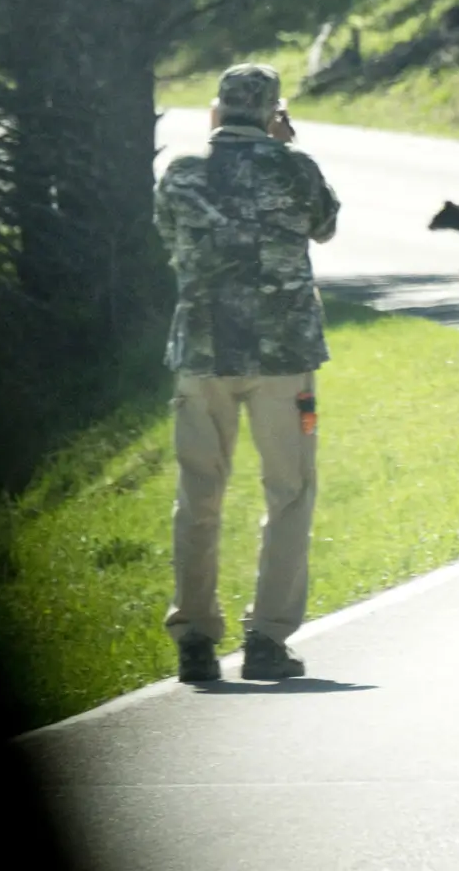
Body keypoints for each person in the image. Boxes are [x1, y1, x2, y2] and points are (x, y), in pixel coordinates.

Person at [154, 63, 342, 682]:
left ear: (218, 110)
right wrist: (283, 146)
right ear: (271, 113)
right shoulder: (296, 168)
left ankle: (194, 639)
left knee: (198, 493)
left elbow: (169, 239)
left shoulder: (181, 174)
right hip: (283, 359)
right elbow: (325, 226)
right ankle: (266, 639)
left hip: (203, 356)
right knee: (289, 492)